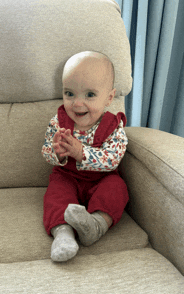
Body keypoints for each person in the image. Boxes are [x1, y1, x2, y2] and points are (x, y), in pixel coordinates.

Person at [42, 51, 129, 262]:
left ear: (109, 98)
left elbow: (113, 159)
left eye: (89, 95)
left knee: (117, 188)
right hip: (67, 177)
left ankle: (96, 225)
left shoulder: (113, 126)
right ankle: (63, 235)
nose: (77, 104)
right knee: (55, 194)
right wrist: (57, 153)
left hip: (101, 179)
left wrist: (81, 153)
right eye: (69, 93)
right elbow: (46, 150)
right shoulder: (59, 121)